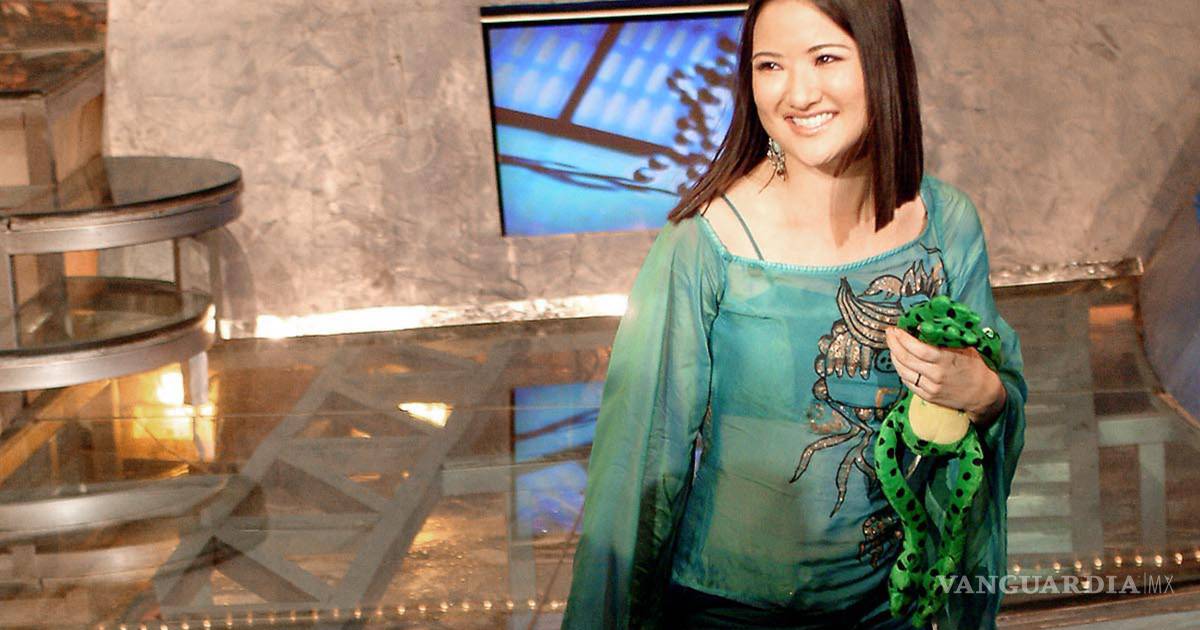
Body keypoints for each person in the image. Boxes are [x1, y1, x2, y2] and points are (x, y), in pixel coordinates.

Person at [562, 0, 1027, 628]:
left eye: (826, 58)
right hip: (732, 612)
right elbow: (639, 463)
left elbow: (997, 392)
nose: (798, 94)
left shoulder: (944, 223)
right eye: (770, 65)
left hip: (898, 605)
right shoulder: (707, 242)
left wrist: (985, 394)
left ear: (883, 62)